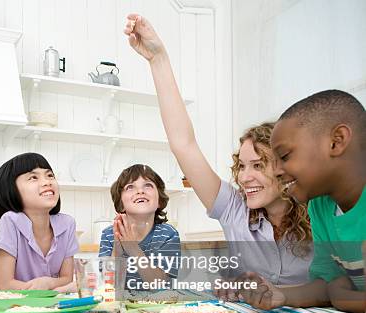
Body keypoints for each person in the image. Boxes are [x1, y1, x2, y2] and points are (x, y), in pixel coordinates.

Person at [123, 14, 312, 292]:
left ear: (285, 168)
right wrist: (158, 59)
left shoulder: (317, 212)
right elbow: (183, 144)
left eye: (258, 166)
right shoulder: (235, 209)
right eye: (242, 166)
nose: (245, 177)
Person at [240, 90, 365, 313]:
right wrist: (280, 294)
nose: (276, 171)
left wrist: (342, 298)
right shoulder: (320, 207)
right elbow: (327, 284)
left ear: (336, 142)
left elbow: (337, 293)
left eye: (285, 156)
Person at [0, 153, 77, 291]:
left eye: (50, 175)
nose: (47, 182)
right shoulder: (10, 221)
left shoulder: (67, 224)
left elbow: (67, 279)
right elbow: (5, 286)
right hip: (19, 307)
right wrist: (44, 288)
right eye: (33, 177)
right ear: (11, 189)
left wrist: (47, 283)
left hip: (56, 306)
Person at [99, 164, 180, 288]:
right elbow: (106, 284)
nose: (140, 191)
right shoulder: (109, 234)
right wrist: (118, 248)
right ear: (120, 204)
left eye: (148, 185)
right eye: (130, 187)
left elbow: (161, 285)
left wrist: (132, 248)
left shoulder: (168, 234)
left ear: (159, 201)